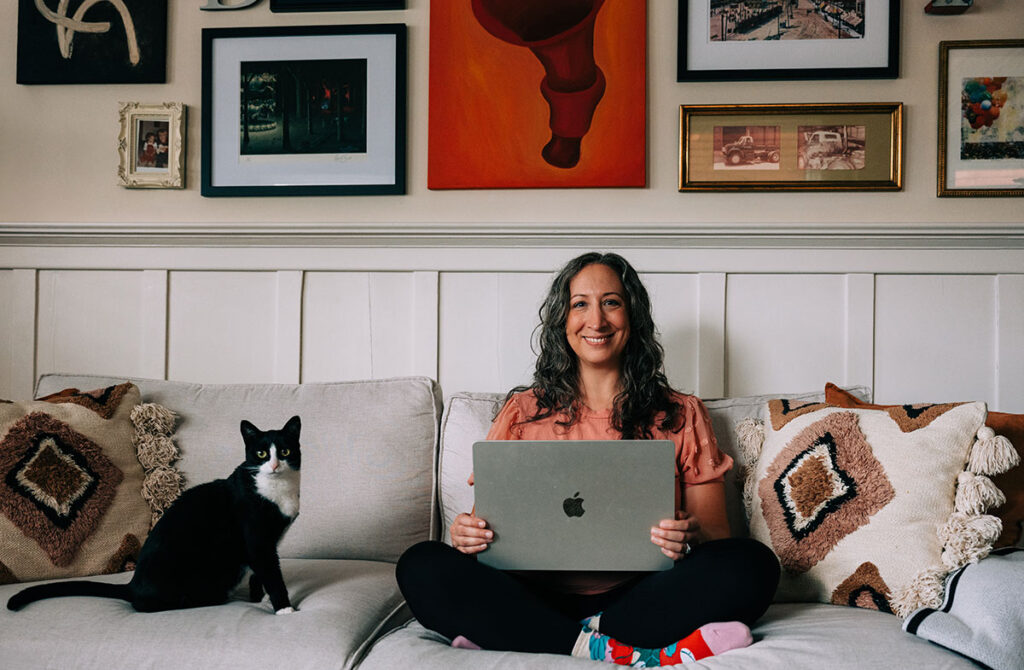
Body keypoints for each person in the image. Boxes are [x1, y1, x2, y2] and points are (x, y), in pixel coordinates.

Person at [397, 252, 780, 667]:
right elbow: (486, 528)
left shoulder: (681, 412)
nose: (596, 320)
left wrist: (689, 534)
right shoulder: (522, 411)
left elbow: (716, 534)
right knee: (420, 565)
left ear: (633, 316)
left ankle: (542, 636)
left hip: (642, 593)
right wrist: (467, 534)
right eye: (580, 304)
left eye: (611, 302)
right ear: (563, 320)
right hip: (529, 590)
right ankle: (614, 648)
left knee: (752, 565)